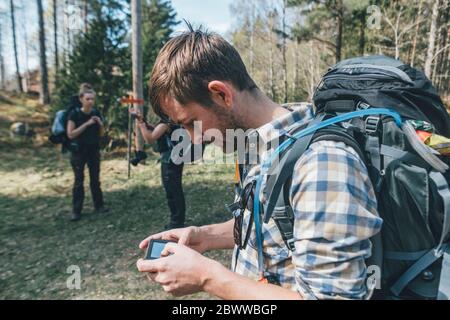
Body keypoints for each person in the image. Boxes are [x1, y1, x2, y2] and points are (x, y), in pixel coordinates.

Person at [136, 28, 381, 300]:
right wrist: (204, 236)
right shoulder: (254, 145)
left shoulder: (320, 162)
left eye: (188, 122)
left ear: (221, 94)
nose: (192, 138)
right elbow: (269, 224)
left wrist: (208, 277)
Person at [130, 110, 186, 230]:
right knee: (175, 189)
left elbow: (150, 138)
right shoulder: (172, 120)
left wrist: (141, 125)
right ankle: (178, 219)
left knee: (172, 190)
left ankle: (177, 221)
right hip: (175, 158)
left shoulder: (165, 123)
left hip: (169, 160)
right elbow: (155, 130)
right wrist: (142, 121)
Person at [67, 85, 108, 221]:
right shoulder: (74, 114)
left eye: (92, 99)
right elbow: (71, 134)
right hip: (78, 151)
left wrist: (100, 124)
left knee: (95, 179)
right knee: (79, 181)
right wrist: (87, 124)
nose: (90, 101)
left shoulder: (96, 112)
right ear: (81, 99)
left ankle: (99, 205)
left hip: (93, 150)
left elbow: (102, 134)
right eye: (88, 99)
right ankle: (76, 210)